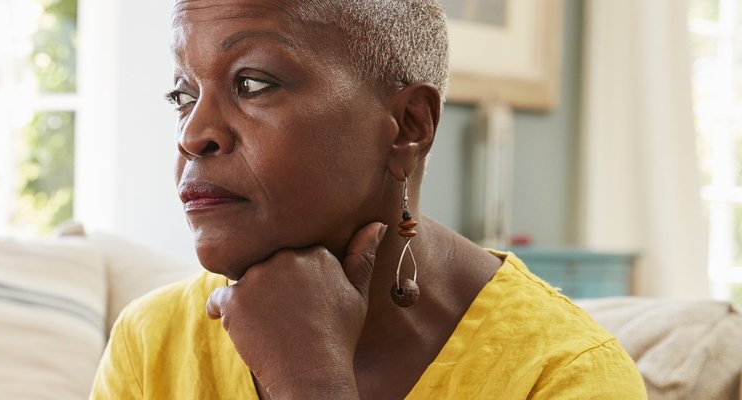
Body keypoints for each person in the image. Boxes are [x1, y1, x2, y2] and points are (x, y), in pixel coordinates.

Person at [89, 0, 647, 399]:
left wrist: (310, 383)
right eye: (182, 94)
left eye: (252, 83)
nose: (193, 134)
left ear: (408, 126)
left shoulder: (563, 377)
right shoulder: (153, 344)